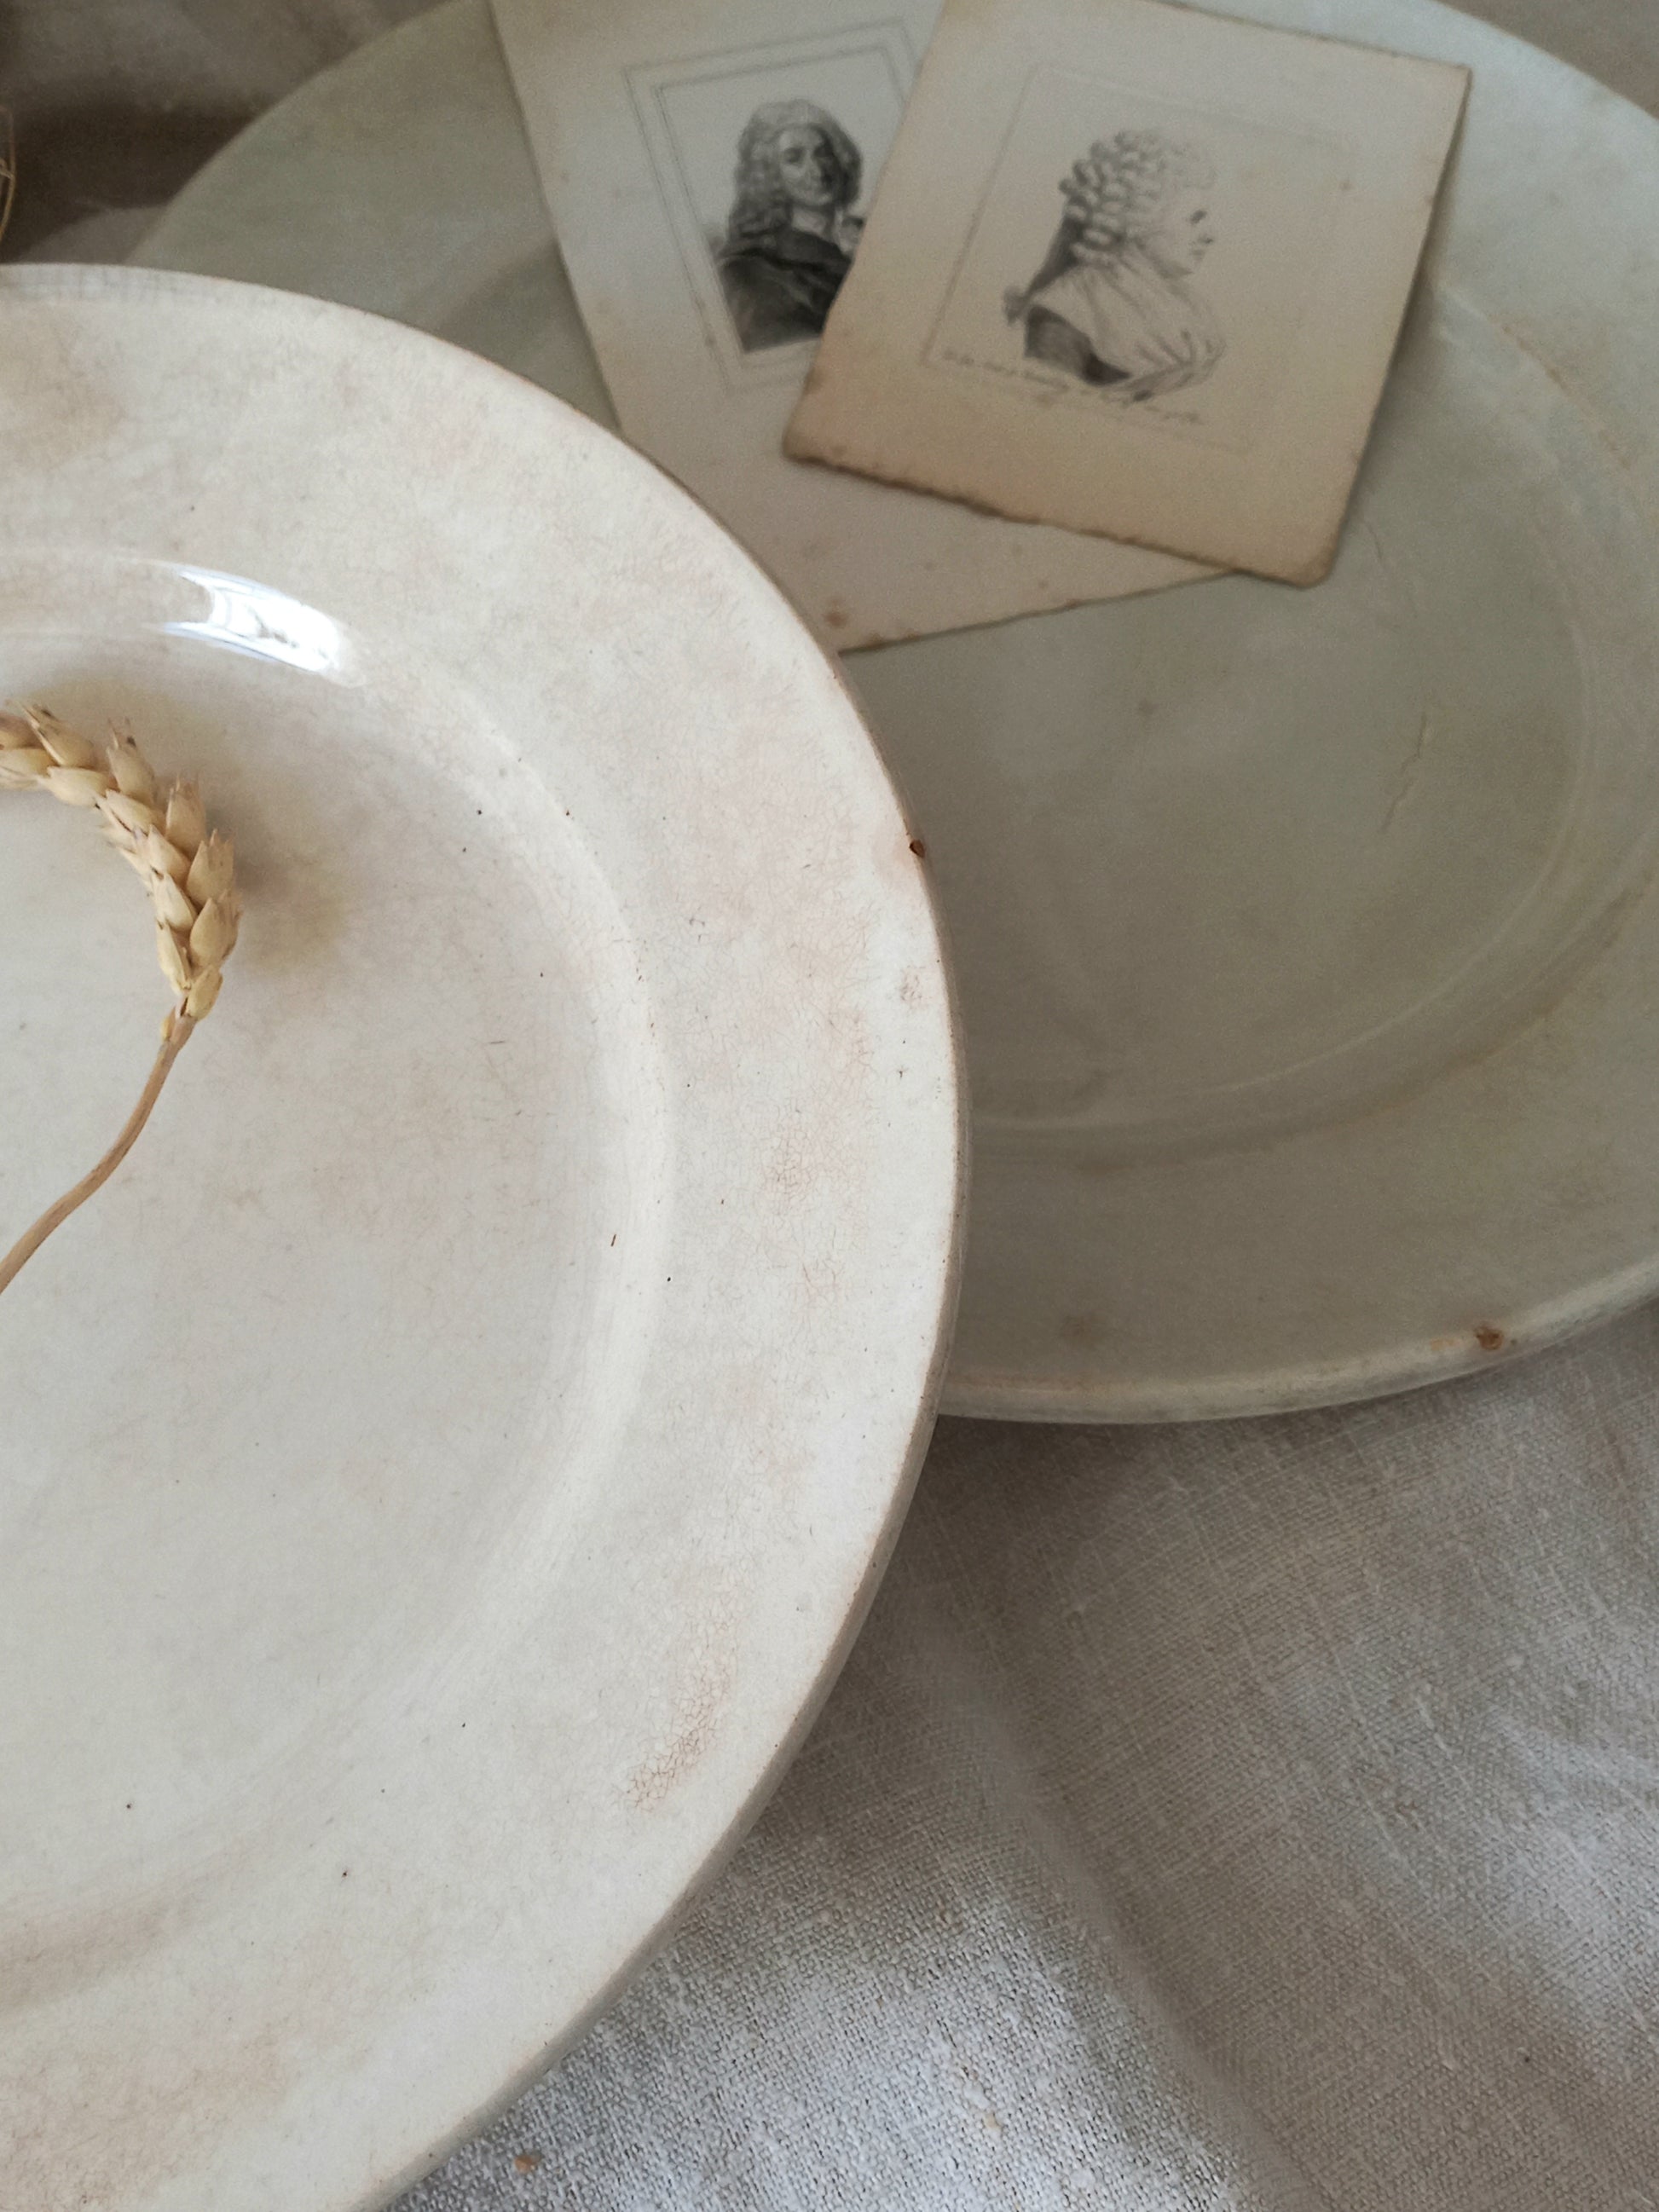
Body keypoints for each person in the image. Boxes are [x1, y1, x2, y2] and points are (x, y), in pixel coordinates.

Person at [1007, 130, 1223, 401]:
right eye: (1195, 219)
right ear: (1137, 223)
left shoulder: (1193, 306)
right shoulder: (1064, 316)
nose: (1211, 235)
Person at [717, 101, 864, 352]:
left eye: (823, 153)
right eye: (794, 159)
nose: (818, 171)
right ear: (770, 175)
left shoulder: (872, 233)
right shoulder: (753, 269)